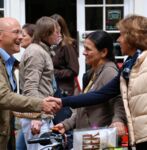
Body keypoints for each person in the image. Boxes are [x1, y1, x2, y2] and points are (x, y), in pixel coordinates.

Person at [49, 15, 147, 150]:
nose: (118, 40)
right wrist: (63, 102)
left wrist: (118, 120)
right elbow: (101, 94)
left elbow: (116, 100)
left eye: (122, 35)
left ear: (133, 37)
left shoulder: (134, 65)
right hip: (138, 135)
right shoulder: (129, 65)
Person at [0, 17, 60, 150]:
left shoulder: (9, 61)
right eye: (16, 32)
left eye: (22, 33)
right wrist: (38, 110)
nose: (21, 37)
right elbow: (4, 96)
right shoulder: (35, 52)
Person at [53, 30, 126, 136]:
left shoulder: (109, 72)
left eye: (88, 49)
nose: (83, 52)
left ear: (104, 52)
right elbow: (84, 107)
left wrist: (118, 120)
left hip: (100, 138)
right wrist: (66, 124)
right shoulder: (92, 73)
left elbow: (118, 101)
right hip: (89, 138)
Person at [50, 14, 79, 149]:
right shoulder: (52, 46)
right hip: (54, 92)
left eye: (56, 28)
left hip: (64, 92)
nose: (54, 32)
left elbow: (74, 70)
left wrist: (52, 72)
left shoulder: (66, 45)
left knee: (64, 131)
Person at [16, 23, 36, 150]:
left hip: (33, 114)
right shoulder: (27, 54)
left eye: (23, 35)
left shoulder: (34, 55)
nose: (20, 38)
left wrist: (37, 115)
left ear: (33, 37)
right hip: (27, 112)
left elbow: (38, 86)